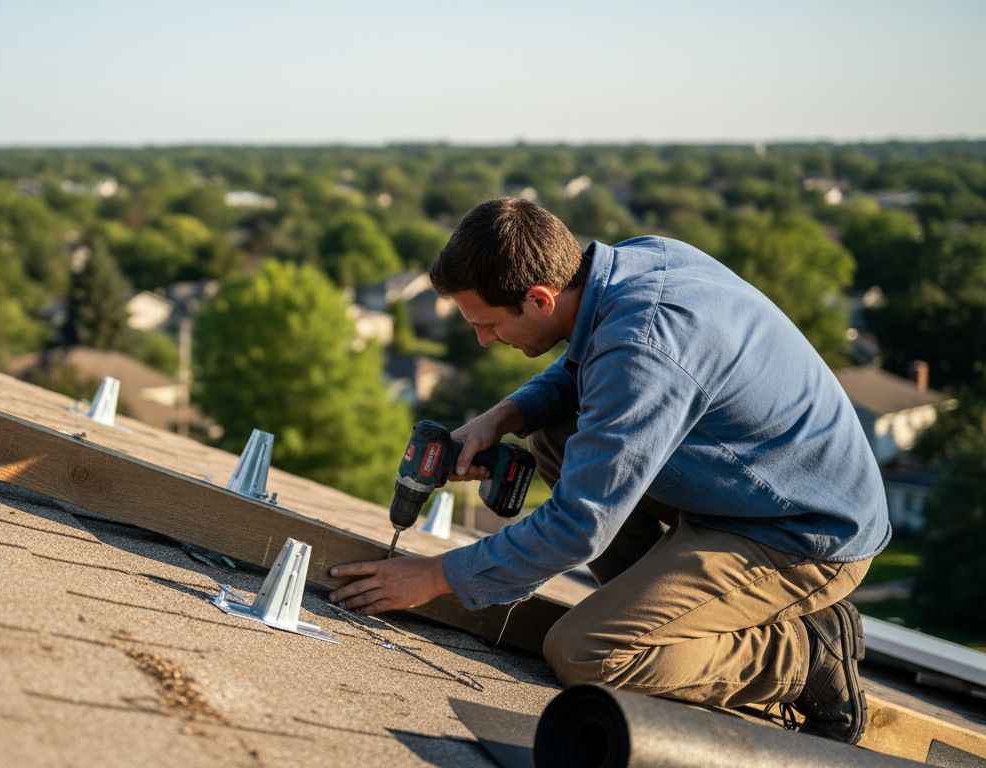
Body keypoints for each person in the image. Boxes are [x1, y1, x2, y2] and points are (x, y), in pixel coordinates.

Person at [328, 198, 889, 744]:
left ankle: (801, 655)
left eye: (490, 325)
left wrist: (435, 578)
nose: (483, 339)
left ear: (541, 298)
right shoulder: (636, 265)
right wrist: (504, 415)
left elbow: (579, 525)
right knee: (554, 432)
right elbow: (588, 370)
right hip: (749, 491)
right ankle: (661, 614)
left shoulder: (643, 343)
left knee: (587, 652)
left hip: (803, 533)